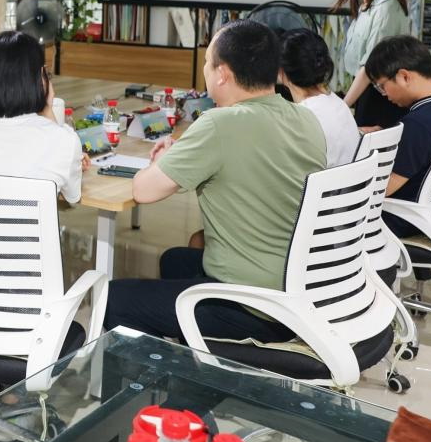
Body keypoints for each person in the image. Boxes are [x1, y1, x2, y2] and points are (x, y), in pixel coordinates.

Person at [103, 20, 326, 343]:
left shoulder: (220, 124)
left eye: (208, 62)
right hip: (296, 290)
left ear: (222, 73)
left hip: (251, 305)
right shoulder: (306, 118)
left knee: (112, 299)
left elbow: (144, 190)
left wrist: (163, 160)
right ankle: (188, 360)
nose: (205, 70)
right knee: (174, 260)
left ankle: (168, 367)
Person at [0, 31, 88, 205]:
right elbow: (72, 196)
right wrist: (47, 107)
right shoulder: (65, 140)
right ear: (39, 79)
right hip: (29, 225)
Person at [365, 35, 431, 242]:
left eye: (381, 86)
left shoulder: (417, 125)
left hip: (405, 219)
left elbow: (383, 190)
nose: (384, 95)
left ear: (404, 76)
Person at [335, 0, 411, 128]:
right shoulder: (366, 4)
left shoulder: (385, 6)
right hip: (367, 91)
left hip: (381, 96)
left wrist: (343, 106)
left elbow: (369, 66)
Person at [278, 29, 360, 168]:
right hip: (351, 180)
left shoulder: (301, 118)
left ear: (282, 70)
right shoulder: (337, 103)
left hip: (325, 181)